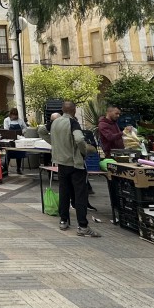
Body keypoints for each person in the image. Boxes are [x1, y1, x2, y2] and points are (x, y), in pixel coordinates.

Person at [51, 101, 100, 237]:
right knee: (80, 194)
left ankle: (63, 220)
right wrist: (84, 151)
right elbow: (79, 139)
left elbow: (42, 130)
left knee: (64, 192)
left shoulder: (55, 122)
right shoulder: (73, 122)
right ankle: (83, 225)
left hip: (61, 162)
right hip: (75, 163)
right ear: (73, 110)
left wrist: (55, 146)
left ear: (62, 110)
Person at [3, 108, 27, 174]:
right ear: (10, 115)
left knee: (19, 154)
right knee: (9, 154)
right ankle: (6, 169)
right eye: (13, 115)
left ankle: (18, 169)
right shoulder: (6, 120)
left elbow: (25, 127)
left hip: (19, 139)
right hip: (10, 140)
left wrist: (22, 132)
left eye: (16, 115)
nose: (14, 117)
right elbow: (6, 129)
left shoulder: (20, 120)